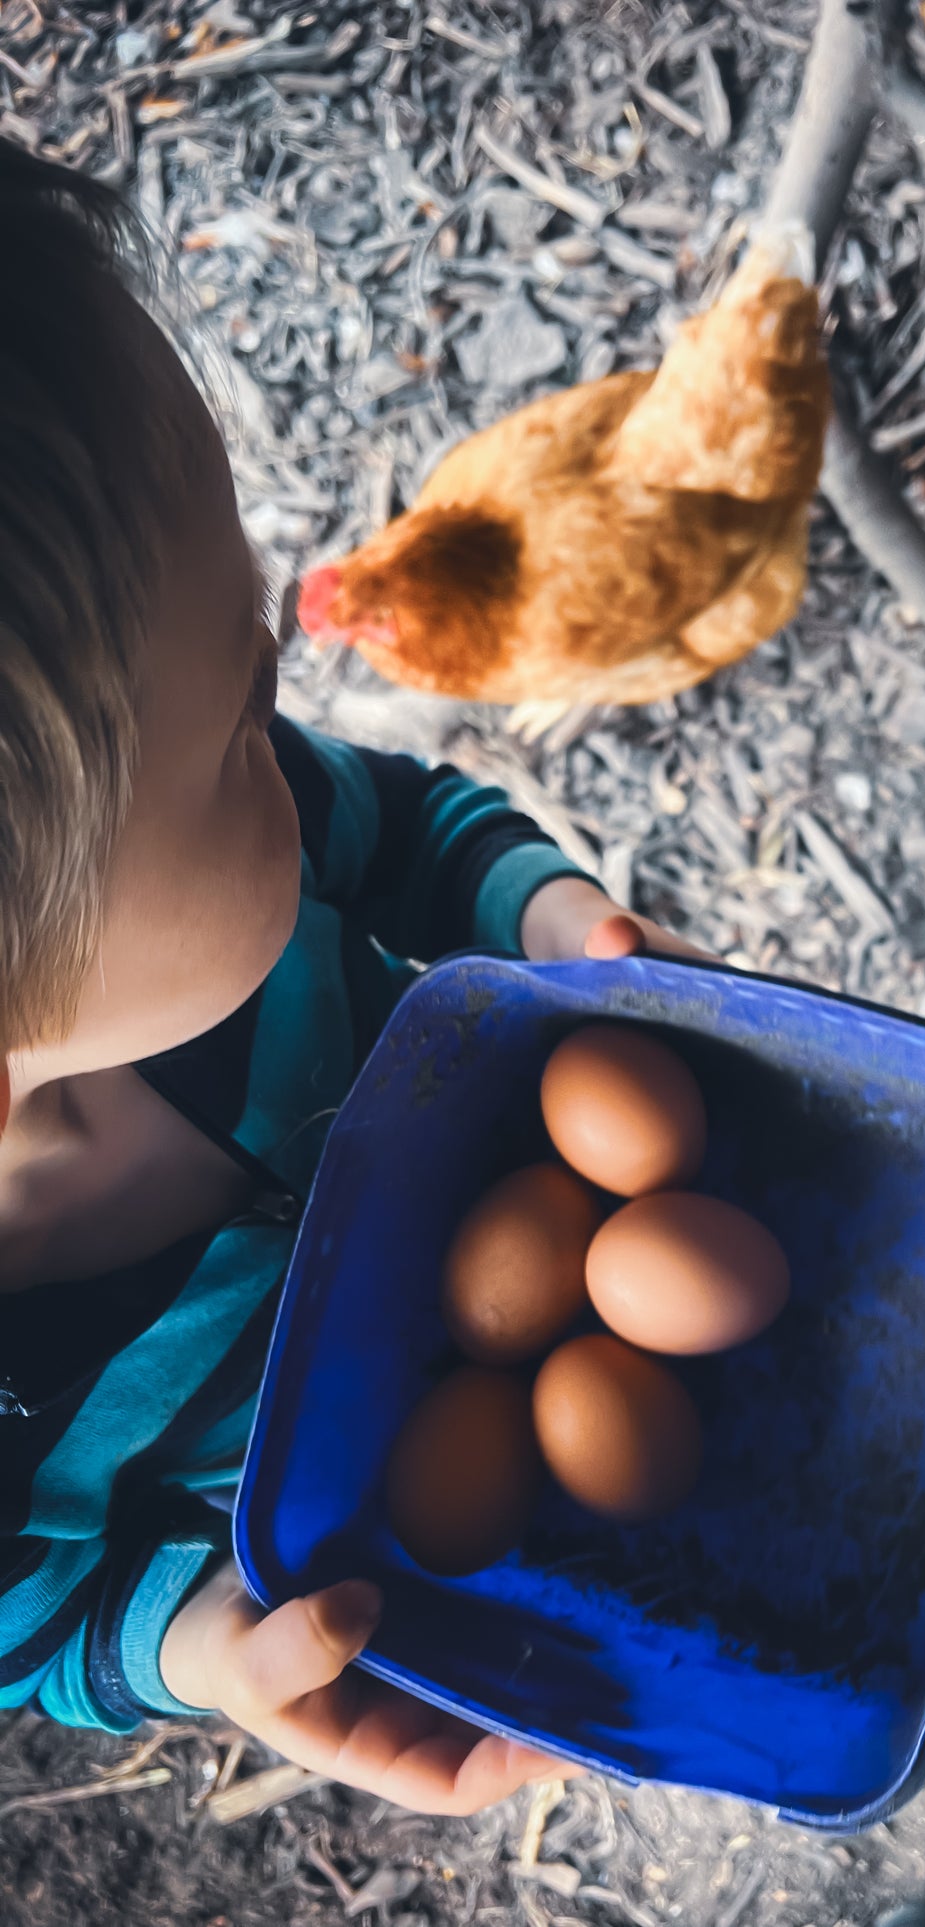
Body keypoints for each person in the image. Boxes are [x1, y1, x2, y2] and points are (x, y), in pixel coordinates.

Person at [0, 141, 693, 1815]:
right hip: (406, 1520)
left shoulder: (186, 875)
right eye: (245, 725)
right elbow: (26, 1621)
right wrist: (200, 1647)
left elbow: (405, 821)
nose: (289, 706)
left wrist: (540, 914)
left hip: (557, 1208)